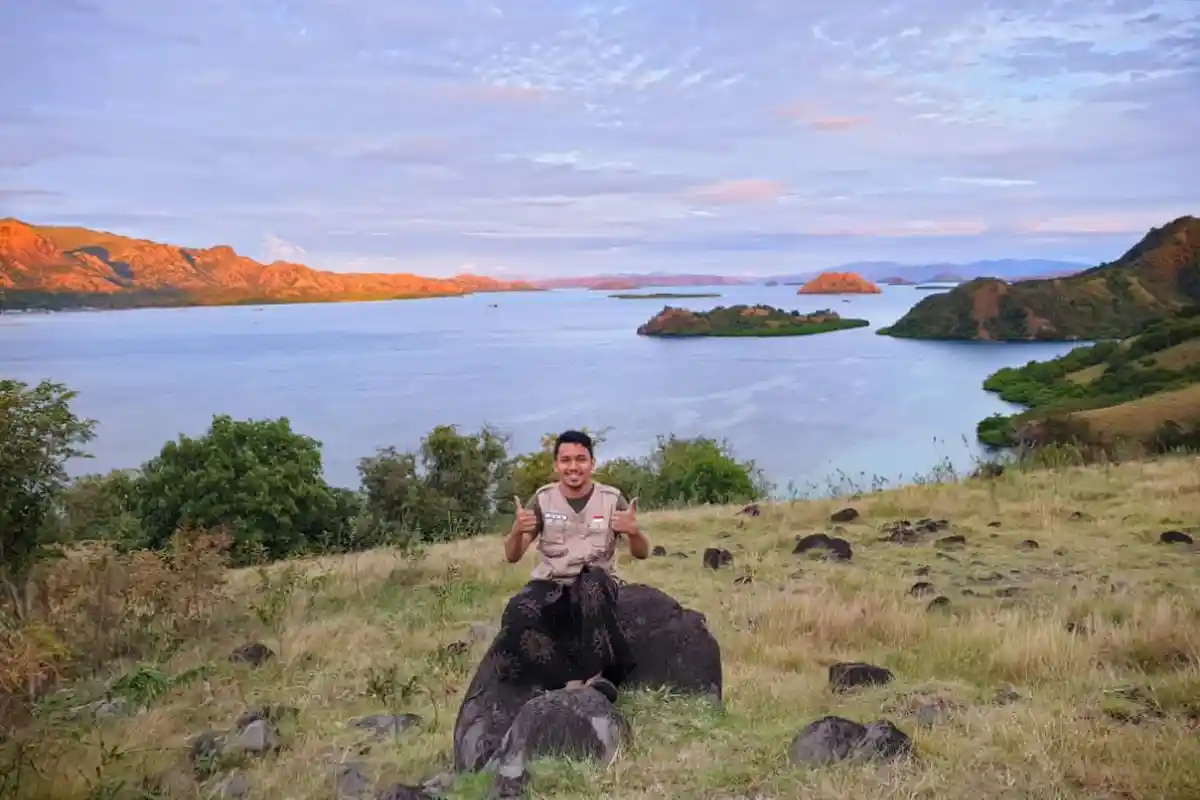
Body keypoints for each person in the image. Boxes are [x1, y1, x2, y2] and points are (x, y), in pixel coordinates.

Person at [494, 429, 650, 703]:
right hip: (551, 583)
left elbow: (642, 553)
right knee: (516, 611)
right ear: (556, 465)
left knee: (593, 584)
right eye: (566, 460)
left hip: (595, 583)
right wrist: (516, 531)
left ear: (592, 463)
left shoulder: (612, 499)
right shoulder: (542, 499)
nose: (573, 467)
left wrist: (634, 532)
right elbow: (513, 556)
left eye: (580, 459)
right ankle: (565, 680)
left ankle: (599, 675)